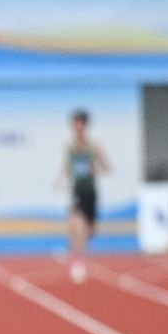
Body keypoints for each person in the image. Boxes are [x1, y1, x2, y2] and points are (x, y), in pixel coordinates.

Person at [58, 108, 109, 282]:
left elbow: (106, 166)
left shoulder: (94, 146)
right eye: (75, 125)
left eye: (80, 125)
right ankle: (77, 262)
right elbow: (66, 167)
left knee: (90, 230)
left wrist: (95, 169)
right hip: (77, 191)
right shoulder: (70, 147)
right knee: (76, 224)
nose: (77, 128)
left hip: (91, 192)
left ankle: (79, 251)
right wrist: (60, 179)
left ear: (85, 125)